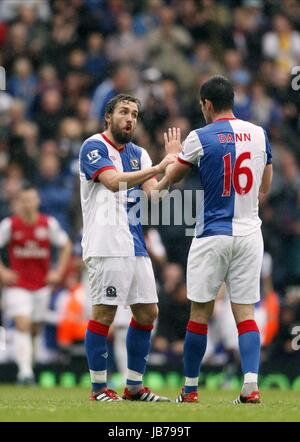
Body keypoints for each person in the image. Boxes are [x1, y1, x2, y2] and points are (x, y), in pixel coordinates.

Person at [164, 75, 273, 404]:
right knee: (245, 313)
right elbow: (265, 187)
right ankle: (251, 384)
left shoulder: (199, 136)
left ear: (207, 105)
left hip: (213, 233)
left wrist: (172, 155)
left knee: (200, 313)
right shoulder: (259, 134)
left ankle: (190, 389)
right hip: (250, 233)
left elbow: (172, 179)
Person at [79, 93, 176, 402]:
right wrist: (159, 165)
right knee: (104, 314)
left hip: (135, 245)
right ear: (108, 116)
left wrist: (175, 166)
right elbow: (112, 181)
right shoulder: (93, 147)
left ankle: (134, 387)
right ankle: (98, 389)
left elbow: (155, 195)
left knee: (148, 313)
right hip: (106, 244)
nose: (130, 118)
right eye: (123, 111)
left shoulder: (139, 153)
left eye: (134, 113)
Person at [0, 186, 72, 383]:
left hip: (41, 285)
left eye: (31, 200)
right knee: (22, 324)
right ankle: (25, 373)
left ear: (37, 201)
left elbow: (65, 245)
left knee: (34, 328)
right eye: (24, 200)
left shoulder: (48, 224)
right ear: (19, 203)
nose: (28, 204)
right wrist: (3, 271)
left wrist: (57, 271)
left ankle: (28, 366)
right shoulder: (10, 225)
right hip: (17, 284)